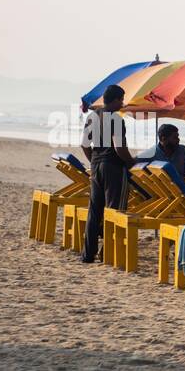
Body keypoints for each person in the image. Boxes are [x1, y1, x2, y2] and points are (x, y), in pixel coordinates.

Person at [80, 84, 135, 263]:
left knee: (94, 210)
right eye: (121, 99)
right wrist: (131, 162)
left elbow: (84, 145)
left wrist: (94, 161)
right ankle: (107, 254)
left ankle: (88, 254)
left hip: (96, 165)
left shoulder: (92, 116)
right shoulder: (117, 120)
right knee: (115, 210)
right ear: (116, 99)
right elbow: (119, 148)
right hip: (113, 167)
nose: (123, 103)